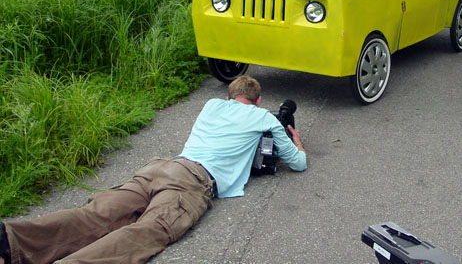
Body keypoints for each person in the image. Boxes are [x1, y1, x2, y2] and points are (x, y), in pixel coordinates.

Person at [0, 75, 306, 264]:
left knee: (94, 215)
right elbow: (298, 163)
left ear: (228, 97)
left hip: (160, 168)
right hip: (192, 182)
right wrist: (297, 142)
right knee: (145, 231)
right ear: (258, 100)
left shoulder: (211, 105)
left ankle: (10, 241)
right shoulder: (263, 118)